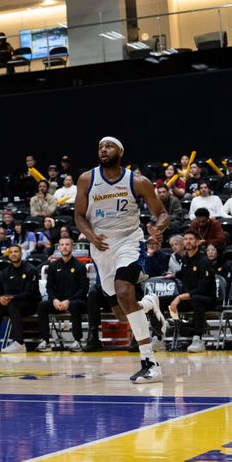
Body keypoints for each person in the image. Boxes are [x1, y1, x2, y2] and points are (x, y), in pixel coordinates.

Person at [74, 136, 169, 383]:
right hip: (101, 247)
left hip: (129, 241)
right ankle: (149, 304)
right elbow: (78, 216)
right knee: (121, 314)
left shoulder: (137, 181)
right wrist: (91, 236)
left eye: (109, 146)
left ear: (121, 152)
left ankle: (150, 362)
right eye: (100, 147)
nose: (103, 149)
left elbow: (162, 214)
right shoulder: (87, 179)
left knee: (124, 289)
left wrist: (157, 229)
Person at [167, 232, 216, 353]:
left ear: (198, 242)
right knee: (160, 300)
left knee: (197, 299)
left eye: (191, 239)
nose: (188, 241)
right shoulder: (184, 259)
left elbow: (203, 289)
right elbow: (184, 272)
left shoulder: (204, 261)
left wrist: (179, 297)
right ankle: (158, 337)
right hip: (188, 298)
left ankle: (197, 339)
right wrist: (173, 275)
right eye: (185, 239)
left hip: (207, 299)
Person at [36, 237, 88, 352]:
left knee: (74, 305)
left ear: (72, 247)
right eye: (62, 245)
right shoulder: (54, 266)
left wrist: (68, 301)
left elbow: (84, 289)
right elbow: (49, 287)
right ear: (59, 247)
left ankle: (77, 341)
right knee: (42, 306)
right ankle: (45, 341)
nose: (64, 247)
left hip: (77, 300)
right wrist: (54, 299)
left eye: (67, 244)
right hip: (58, 302)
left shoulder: (80, 266)